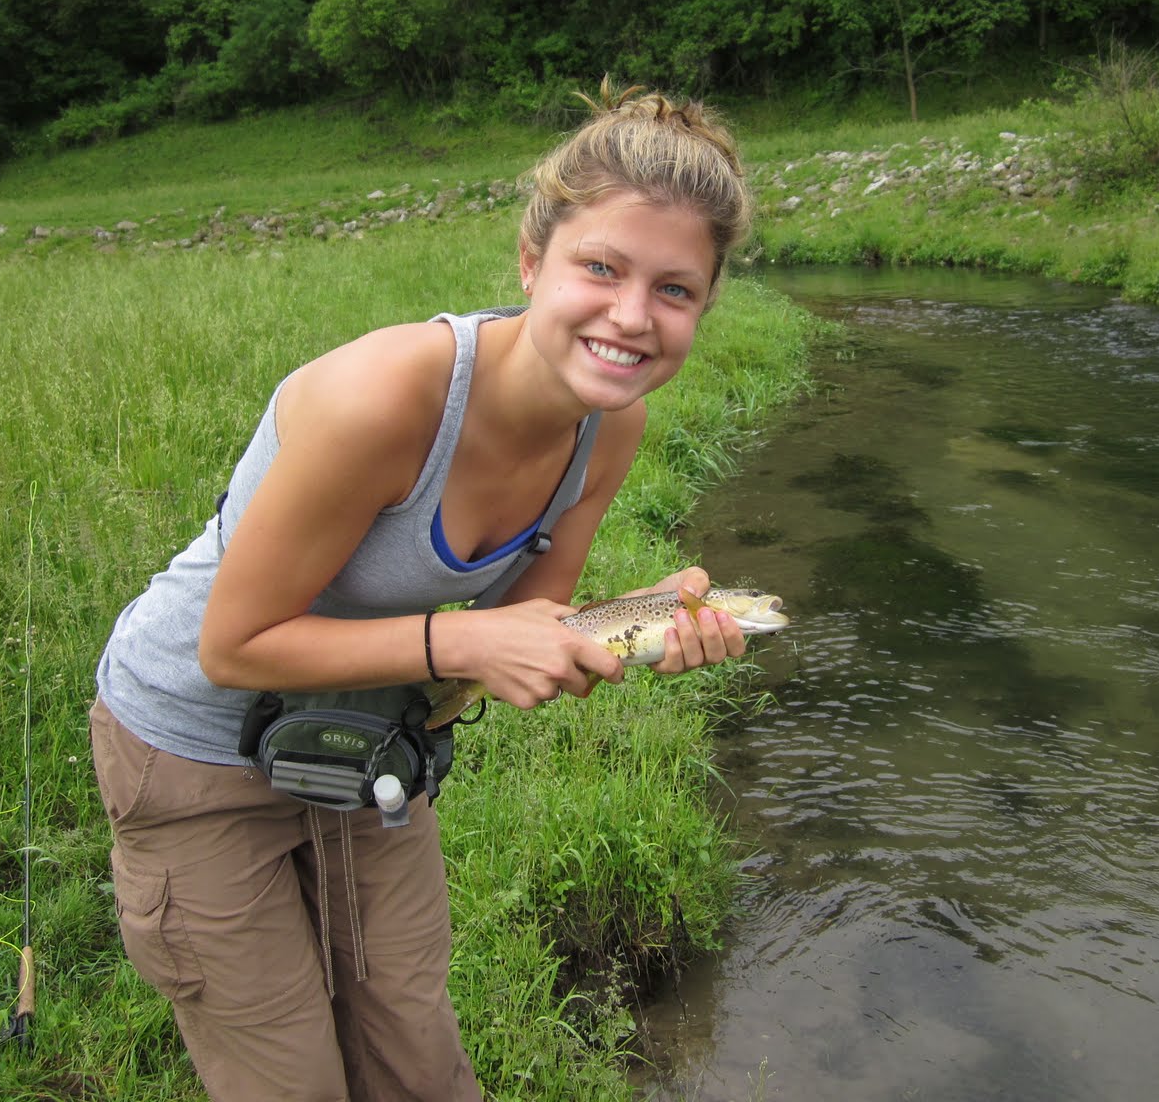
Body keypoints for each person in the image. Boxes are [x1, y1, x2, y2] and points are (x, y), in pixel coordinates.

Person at [89, 80, 756, 1102]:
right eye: (600, 267)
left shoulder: (610, 424)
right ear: (531, 262)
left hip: (367, 739)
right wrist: (461, 648)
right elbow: (237, 644)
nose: (632, 316)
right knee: (292, 1081)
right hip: (195, 747)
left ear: (703, 308)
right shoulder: (382, 399)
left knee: (413, 1047)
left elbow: (522, 633)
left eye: (674, 290)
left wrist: (640, 626)